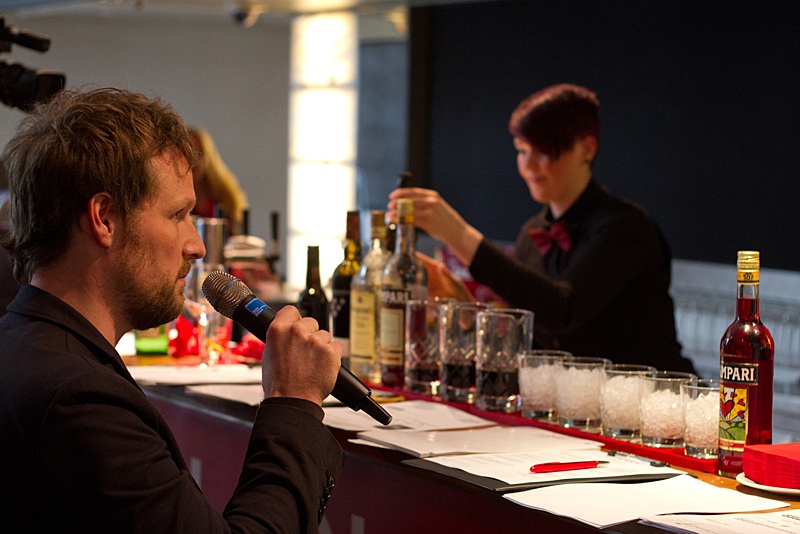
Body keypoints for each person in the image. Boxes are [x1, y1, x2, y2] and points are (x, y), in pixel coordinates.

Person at [0, 87, 343, 532]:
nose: (196, 246)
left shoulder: (21, 347)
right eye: (177, 214)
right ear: (104, 218)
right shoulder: (79, 398)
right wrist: (293, 403)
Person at [388, 83, 696, 373]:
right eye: (522, 151)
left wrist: (457, 233)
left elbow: (561, 311)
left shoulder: (625, 227)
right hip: (569, 402)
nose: (529, 165)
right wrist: (464, 308)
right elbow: (526, 342)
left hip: (654, 399)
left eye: (544, 150)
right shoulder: (532, 232)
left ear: (587, 149)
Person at [188, 125, 249, 235]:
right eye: (189, 154)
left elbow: (235, 234)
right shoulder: (175, 198)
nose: (195, 160)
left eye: (199, 153)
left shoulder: (225, 195)